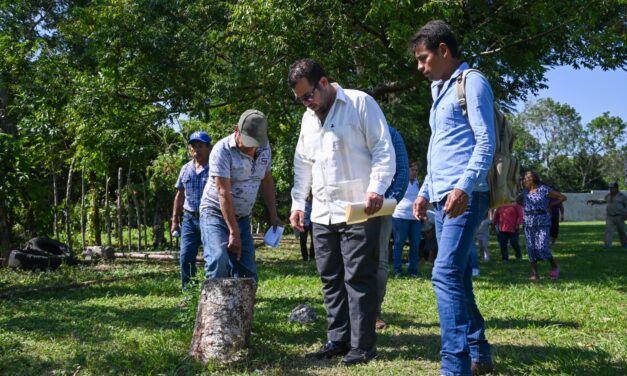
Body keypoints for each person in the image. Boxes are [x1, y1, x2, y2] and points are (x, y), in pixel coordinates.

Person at [288, 58, 395, 366]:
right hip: (322, 212)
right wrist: (298, 203)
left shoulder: (361, 103)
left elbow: (383, 150)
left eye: (308, 95)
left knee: (358, 277)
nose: (306, 104)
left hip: (359, 208)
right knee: (331, 278)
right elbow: (302, 164)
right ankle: (338, 339)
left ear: (324, 82)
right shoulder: (309, 119)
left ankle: (363, 346)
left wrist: (376, 188)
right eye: (300, 100)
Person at [410, 20, 496, 375]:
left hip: (465, 196)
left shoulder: (472, 82)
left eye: (423, 58)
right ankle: (480, 353)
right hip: (443, 197)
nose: (420, 66)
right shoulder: (440, 91)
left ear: (443, 50)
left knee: (443, 275)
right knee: (457, 277)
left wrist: (463, 187)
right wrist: (425, 192)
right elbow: (441, 150)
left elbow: (485, 141)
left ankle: (454, 367)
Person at [198, 109, 281, 281]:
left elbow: (266, 181)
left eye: (255, 143)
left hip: (243, 215)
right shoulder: (222, 150)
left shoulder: (265, 149)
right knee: (218, 259)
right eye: (248, 142)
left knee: (248, 272)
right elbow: (223, 192)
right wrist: (233, 231)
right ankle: (213, 307)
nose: (252, 149)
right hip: (215, 212)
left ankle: (242, 307)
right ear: (237, 130)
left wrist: (273, 214)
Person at [376, 130, 409, 330]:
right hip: (346, 205)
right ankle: (349, 312)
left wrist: (388, 200)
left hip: (380, 207)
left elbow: (402, 171)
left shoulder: (391, 133)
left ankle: (374, 311)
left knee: (378, 259)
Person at [171, 131, 212, 289]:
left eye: (200, 146)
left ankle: (211, 290)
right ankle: (189, 292)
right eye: (194, 147)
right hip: (189, 218)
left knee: (212, 256)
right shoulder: (186, 169)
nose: (197, 150)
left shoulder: (215, 168)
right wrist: (175, 220)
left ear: (209, 148)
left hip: (210, 217)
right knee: (186, 256)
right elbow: (179, 196)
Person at [521, 171, 567, 281]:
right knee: (531, 249)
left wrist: (550, 205)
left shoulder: (543, 189)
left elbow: (562, 197)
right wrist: (527, 207)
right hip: (528, 222)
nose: (524, 180)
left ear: (532, 179)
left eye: (525, 178)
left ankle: (554, 266)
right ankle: (535, 274)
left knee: (542, 247)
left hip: (542, 221)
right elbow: (518, 200)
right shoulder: (525, 192)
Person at [391, 160, 421, 280]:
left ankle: (413, 270)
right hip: (400, 216)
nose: (415, 172)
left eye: (416, 170)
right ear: (407, 170)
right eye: (412, 169)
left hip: (415, 217)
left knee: (415, 244)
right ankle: (398, 270)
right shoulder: (400, 181)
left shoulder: (418, 183)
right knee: (399, 244)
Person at [587, 182, 627, 249]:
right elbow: (603, 201)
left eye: (612, 188)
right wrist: (594, 201)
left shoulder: (622, 196)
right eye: (610, 188)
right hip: (610, 217)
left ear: (616, 188)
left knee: (622, 231)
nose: (611, 190)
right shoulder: (608, 195)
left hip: (620, 216)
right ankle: (607, 245)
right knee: (608, 231)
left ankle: (625, 244)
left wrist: (626, 214)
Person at [299, 192, 315, 261]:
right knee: (303, 240)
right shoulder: (301, 199)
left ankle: (312, 255)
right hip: (303, 222)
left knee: (314, 240)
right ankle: (304, 257)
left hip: (313, 221)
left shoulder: (315, 199)